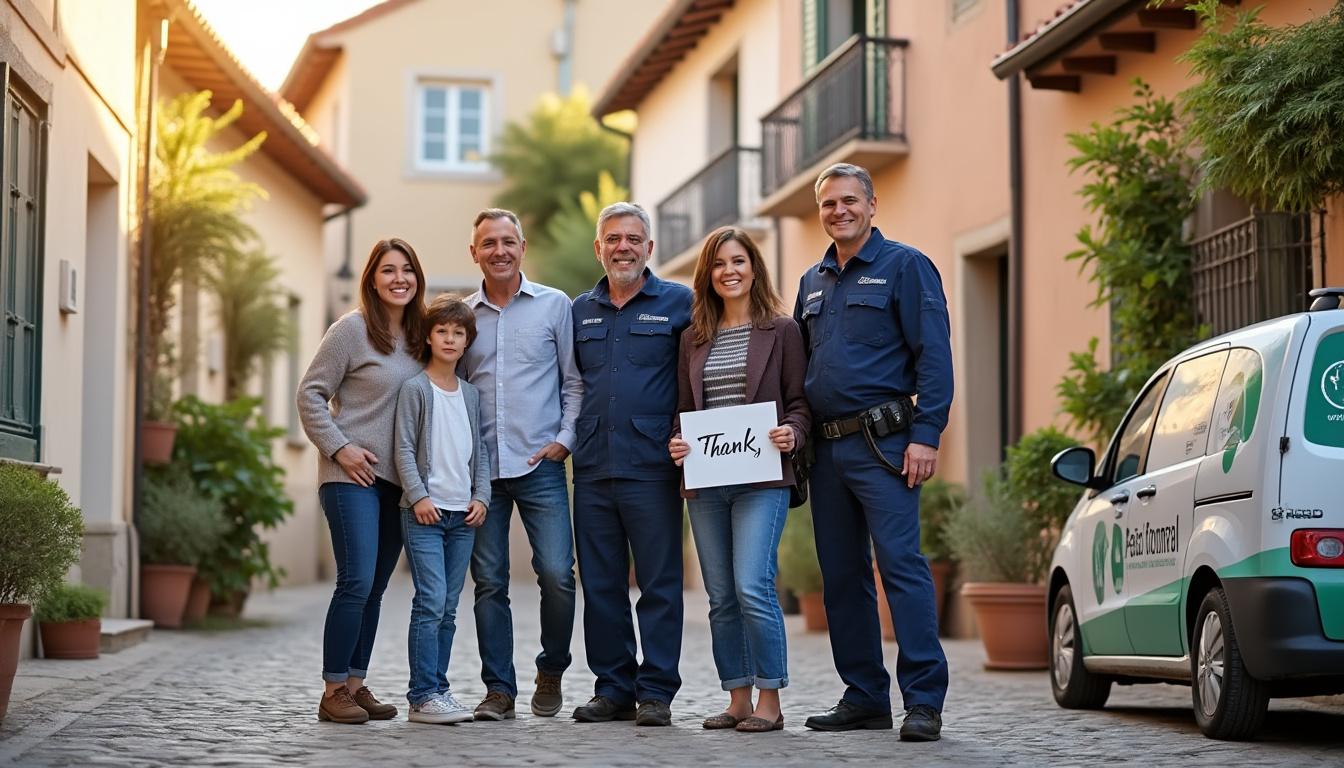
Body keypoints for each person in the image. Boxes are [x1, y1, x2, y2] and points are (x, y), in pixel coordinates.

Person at [792, 163, 952, 741]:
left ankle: (924, 701)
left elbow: (934, 356)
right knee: (841, 576)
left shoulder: (906, 266)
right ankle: (864, 696)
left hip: (885, 446)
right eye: (829, 203)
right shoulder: (811, 281)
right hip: (826, 450)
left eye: (849, 201)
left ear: (871, 204)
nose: (839, 211)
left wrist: (926, 434)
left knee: (902, 568)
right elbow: (800, 366)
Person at [667, 227, 811, 733]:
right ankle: (738, 699)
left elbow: (799, 403)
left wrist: (792, 433)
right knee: (721, 596)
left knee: (753, 585)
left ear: (754, 268)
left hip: (762, 478)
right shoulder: (693, 338)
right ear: (707, 274)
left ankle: (771, 700)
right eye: (718, 263)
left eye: (738, 261)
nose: (729, 271)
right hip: (707, 480)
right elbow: (685, 410)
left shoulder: (782, 330)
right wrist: (678, 441)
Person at [569, 202, 692, 727]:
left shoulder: (680, 304)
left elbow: (698, 376)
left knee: (660, 585)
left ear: (649, 248)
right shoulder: (579, 311)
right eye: (614, 239)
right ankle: (614, 688)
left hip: (653, 466)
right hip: (593, 466)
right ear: (599, 248)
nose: (624, 247)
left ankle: (656, 692)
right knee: (601, 586)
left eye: (634, 239)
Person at [298, 238, 428, 724]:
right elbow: (310, 395)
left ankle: (355, 684)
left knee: (375, 586)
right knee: (355, 580)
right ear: (372, 279)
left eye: (407, 269)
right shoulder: (350, 330)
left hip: (397, 481)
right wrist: (340, 447)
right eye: (388, 270)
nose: (399, 278)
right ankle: (333, 690)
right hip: (349, 475)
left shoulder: (421, 336)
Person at [458, 209, 581, 721]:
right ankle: (499, 689)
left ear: (523, 248)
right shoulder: (464, 317)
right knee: (489, 580)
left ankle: (551, 669)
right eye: (489, 243)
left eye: (508, 241)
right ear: (475, 253)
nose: (500, 251)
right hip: (481, 471)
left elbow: (574, 380)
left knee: (557, 574)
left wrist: (564, 440)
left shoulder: (555, 306)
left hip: (540, 464)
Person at [393, 295, 492, 724]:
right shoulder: (415, 388)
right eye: (442, 331)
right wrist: (418, 496)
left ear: (467, 340)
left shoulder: (470, 394)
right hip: (425, 514)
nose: (450, 339)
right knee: (430, 601)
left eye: (458, 332)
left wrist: (481, 496)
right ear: (429, 337)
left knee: (449, 607)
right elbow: (402, 448)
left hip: (462, 516)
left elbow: (480, 451)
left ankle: (438, 688)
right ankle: (421, 696)